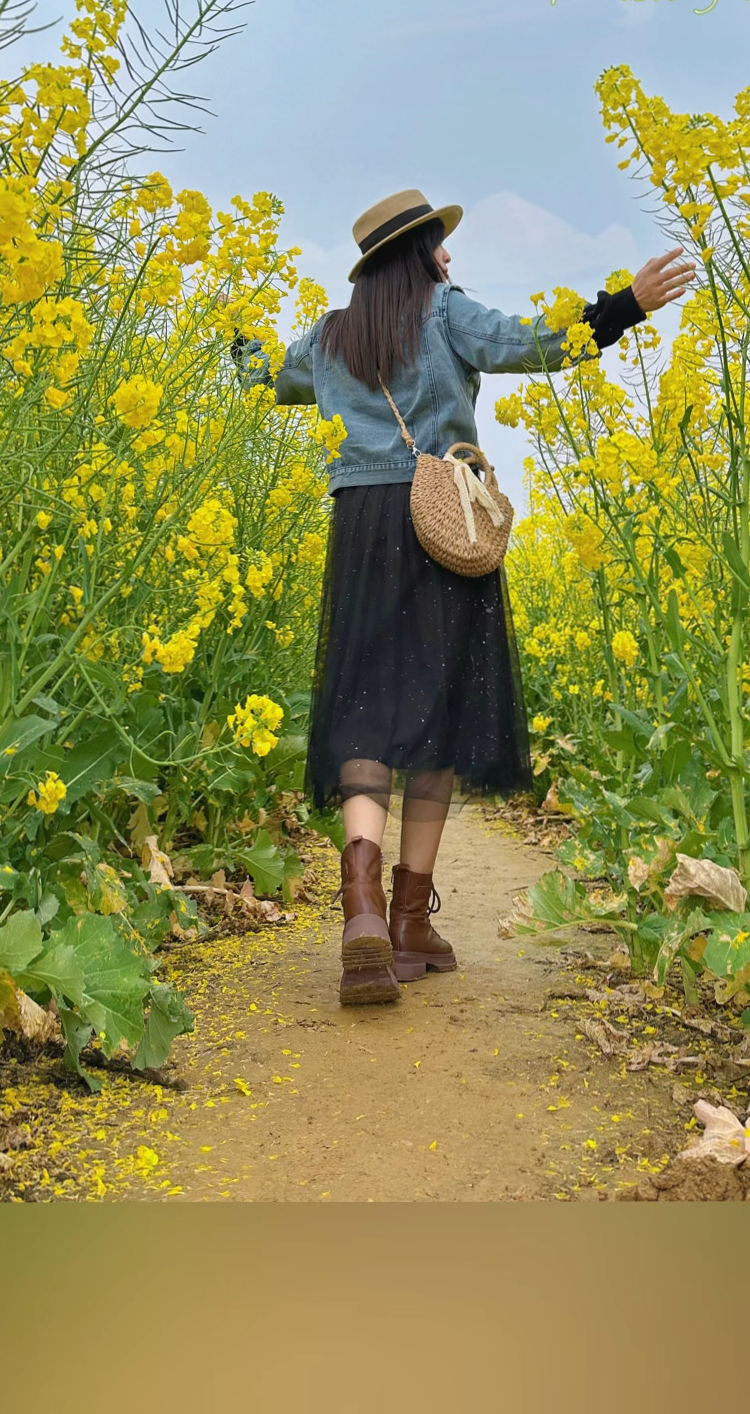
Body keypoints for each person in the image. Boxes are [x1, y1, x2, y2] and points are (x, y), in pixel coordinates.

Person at [233, 189, 694, 1007]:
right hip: (442, 519)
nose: (449, 256)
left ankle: (364, 910)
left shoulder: (330, 337)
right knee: (439, 711)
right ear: (416, 256)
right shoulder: (445, 311)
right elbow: (534, 342)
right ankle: (409, 917)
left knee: (365, 705)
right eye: (439, 245)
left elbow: (263, 375)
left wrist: (229, 330)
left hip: (361, 527)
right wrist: (627, 304)